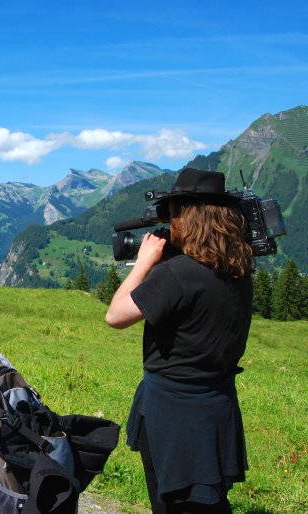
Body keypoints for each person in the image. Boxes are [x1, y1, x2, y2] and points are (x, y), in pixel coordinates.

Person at [105, 168, 253, 513]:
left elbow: (116, 315)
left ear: (188, 216)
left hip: (173, 417)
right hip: (216, 407)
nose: (171, 222)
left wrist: (142, 264)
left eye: (174, 213)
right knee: (210, 502)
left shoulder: (179, 274)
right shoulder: (238, 270)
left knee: (174, 503)